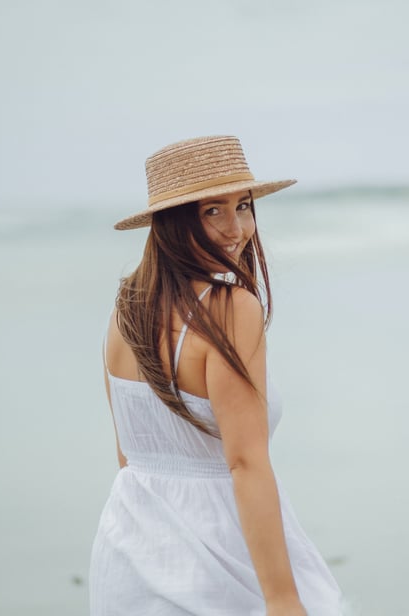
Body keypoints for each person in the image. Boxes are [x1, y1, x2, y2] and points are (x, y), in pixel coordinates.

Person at [90, 136, 344, 615]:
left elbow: (130, 455)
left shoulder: (123, 308)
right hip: (219, 552)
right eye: (212, 211)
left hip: (127, 548)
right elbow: (245, 464)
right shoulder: (231, 309)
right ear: (173, 220)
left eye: (243, 206)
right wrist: (283, 600)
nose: (237, 228)